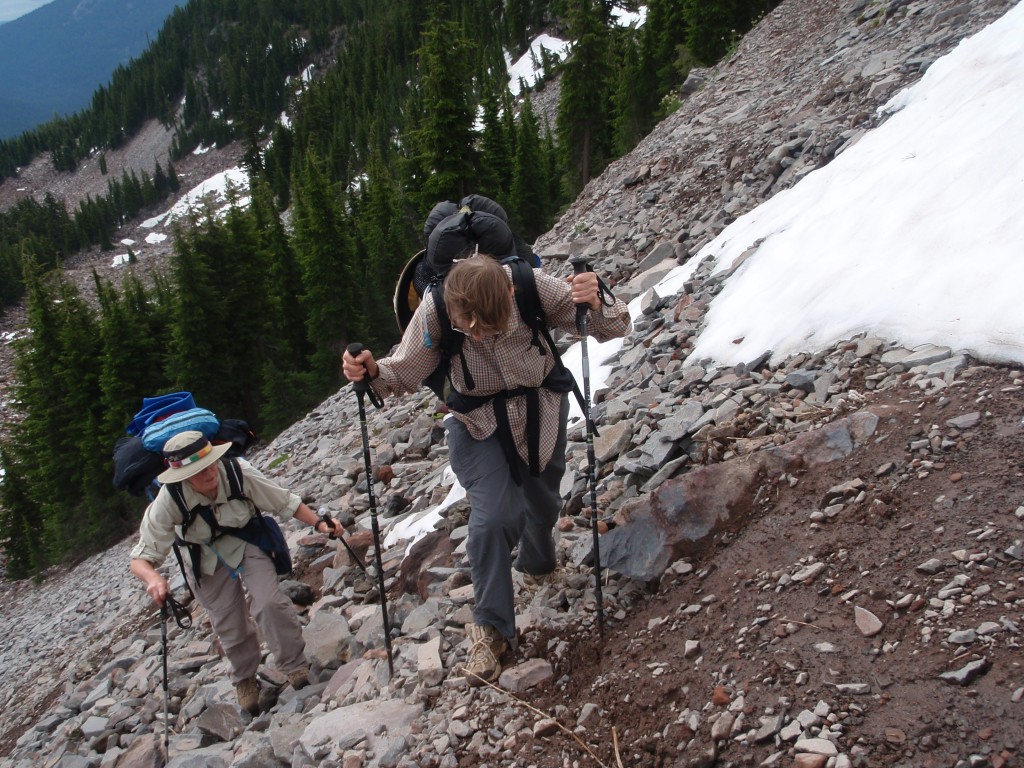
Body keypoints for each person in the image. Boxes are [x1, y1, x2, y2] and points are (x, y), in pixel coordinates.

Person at [343, 254, 630, 685]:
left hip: (541, 409)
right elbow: (402, 371)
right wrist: (368, 371)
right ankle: (492, 628)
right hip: (475, 423)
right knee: (494, 516)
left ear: (510, 292)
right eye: (469, 326)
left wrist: (597, 301)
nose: (478, 333)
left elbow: (613, 325)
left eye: (490, 324)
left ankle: (538, 565)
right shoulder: (438, 308)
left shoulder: (534, 286)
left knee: (544, 503)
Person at [129, 430, 344, 715]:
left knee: (268, 602)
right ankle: (244, 679)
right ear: (182, 476)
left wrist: (319, 523)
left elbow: (285, 502)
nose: (208, 474)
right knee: (228, 621)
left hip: (248, 541)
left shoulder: (238, 472)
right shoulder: (168, 500)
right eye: (198, 472)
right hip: (203, 556)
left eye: (209, 465)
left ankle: (294, 666)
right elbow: (141, 558)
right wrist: (154, 579)